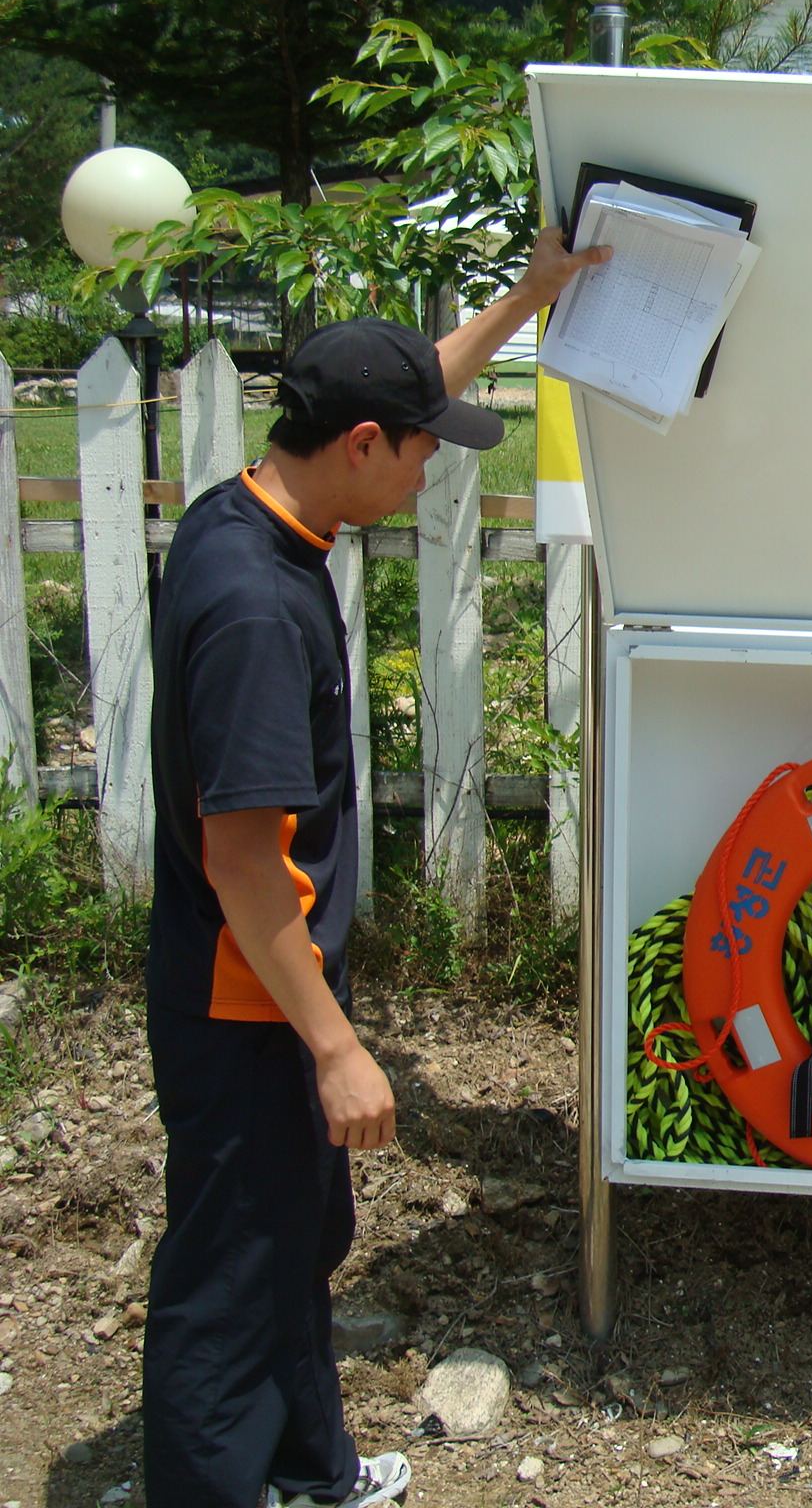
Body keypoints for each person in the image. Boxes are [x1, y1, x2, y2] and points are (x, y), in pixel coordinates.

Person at [143, 228, 609, 1508]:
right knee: (233, 1269)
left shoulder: (243, 509)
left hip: (260, 986)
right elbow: (244, 863)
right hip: (248, 995)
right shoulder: (255, 611)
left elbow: (411, 382)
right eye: (419, 449)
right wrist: (338, 1047)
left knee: (297, 1235)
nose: (429, 467)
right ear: (360, 446)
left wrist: (528, 296)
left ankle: (307, 1468)